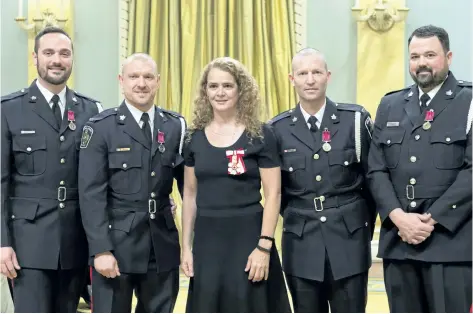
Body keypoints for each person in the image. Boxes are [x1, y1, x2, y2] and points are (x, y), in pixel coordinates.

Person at [367, 25, 472, 312]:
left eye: (430, 55)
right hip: (400, 242)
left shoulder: (469, 101)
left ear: (448, 56)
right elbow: (376, 169)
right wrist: (399, 217)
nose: (421, 63)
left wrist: (430, 220)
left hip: (450, 242)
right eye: (414, 56)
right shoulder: (390, 104)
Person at [0, 27, 103, 312]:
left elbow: (97, 180)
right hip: (27, 244)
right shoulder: (9, 109)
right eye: (48, 53)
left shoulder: (91, 110)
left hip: (74, 243)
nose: (56, 60)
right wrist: (1, 243)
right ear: (35, 58)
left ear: (72, 58)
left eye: (64, 53)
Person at [269, 48, 376, 312]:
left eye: (316, 72)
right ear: (291, 79)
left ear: (328, 76)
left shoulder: (354, 120)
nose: (310, 79)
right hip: (302, 245)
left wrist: (361, 227)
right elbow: (276, 192)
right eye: (302, 73)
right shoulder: (276, 129)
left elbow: (373, 181)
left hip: (349, 242)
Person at [180, 57, 291, 313]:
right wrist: (186, 247)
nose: (220, 92)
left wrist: (264, 246)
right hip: (207, 242)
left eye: (227, 86)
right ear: (205, 91)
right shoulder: (193, 137)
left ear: (241, 90)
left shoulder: (261, 134)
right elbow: (190, 193)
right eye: (213, 86)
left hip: (249, 238)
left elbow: (273, 194)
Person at [78, 53, 185, 313]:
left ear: (158, 82)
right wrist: (101, 250)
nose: (141, 83)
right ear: (121, 81)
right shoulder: (101, 127)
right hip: (117, 246)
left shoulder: (174, 126)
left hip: (161, 245)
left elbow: (189, 188)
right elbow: (91, 194)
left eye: (148, 77)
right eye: (134, 76)